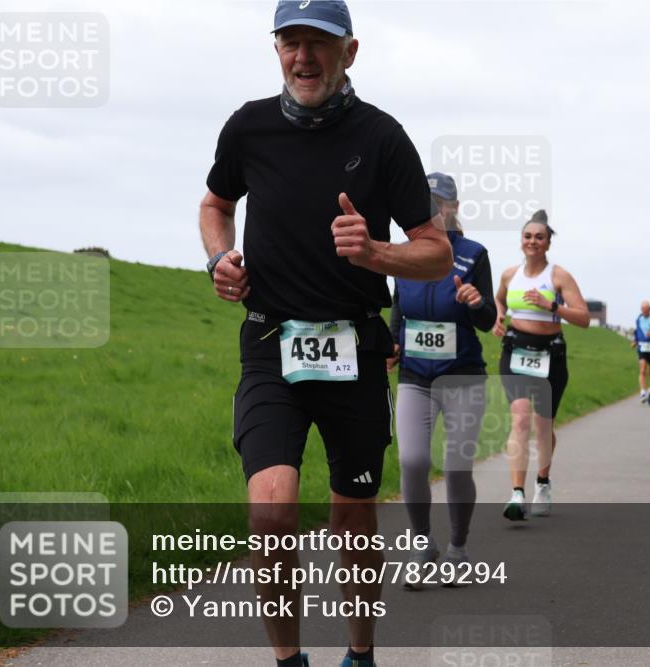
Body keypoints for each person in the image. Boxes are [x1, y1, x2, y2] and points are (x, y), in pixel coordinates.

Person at [199, 3, 452, 665]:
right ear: (276, 48)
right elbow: (215, 204)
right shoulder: (248, 127)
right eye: (291, 42)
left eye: (320, 43)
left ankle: (360, 652)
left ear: (351, 52)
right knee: (273, 513)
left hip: (356, 348)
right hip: (269, 344)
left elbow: (434, 252)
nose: (304, 57)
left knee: (353, 516)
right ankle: (289, 660)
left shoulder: (383, 136)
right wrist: (218, 257)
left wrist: (374, 254)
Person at [388, 173, 496, 588]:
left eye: (439, 202)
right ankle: (422, 547)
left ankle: (458, 549)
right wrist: (393, 345)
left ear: (453, 207)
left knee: (455, 467)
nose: (433, 210)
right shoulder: (405, 253)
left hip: (463, 376)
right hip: (416, 375)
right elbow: (400, 309)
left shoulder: (473, 254)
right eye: (426, 202)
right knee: (412, 462)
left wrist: (475, 303)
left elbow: (487, 321)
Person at [493, 210, 590, 520]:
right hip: (516, 350)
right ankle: (517, 494)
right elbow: (499, 300)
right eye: (527, 236)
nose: (532, 241)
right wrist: (497, 316)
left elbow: (584, 318)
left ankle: (543, 482)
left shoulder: (558, 276)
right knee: (520, 418)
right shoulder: (510, 274)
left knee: (542, 424)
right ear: (521, 241)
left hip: (550, 354)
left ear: (548, 243)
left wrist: (551, 305)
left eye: (539, 237)